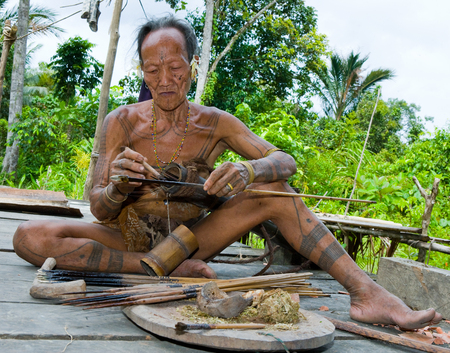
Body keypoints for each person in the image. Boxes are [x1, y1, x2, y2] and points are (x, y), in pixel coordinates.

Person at [13, 15, 441, 330]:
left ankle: (366, 293)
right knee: (28, 237)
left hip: (192, 243)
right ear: (141, 71)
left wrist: (247, 169)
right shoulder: (121, 122)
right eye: (152, 70)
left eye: (175, 67)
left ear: (192, 64)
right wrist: (118, 188)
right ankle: (156, 270)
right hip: (127, 240)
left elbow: (285, 162)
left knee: (273, 189)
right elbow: (99, 209)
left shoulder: (215, 122)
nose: (164, 80)